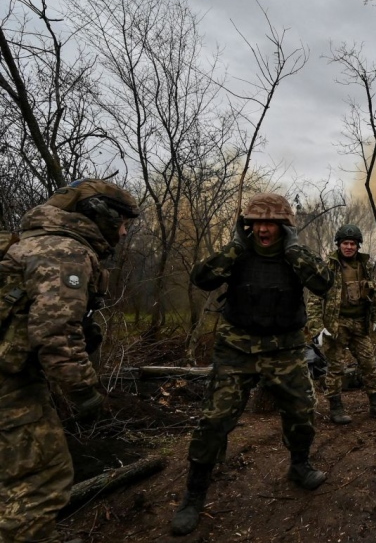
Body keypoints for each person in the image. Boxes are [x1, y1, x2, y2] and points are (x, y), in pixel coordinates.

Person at [170, 193, 334, 536]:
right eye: (257, 222)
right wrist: (235, 247)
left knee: (303, 411)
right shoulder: (237, 253)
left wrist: (294, 251)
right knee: (214, 421)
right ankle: (194, 494)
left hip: (285, 349)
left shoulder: (294, 256)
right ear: (248, 225)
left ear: (283, 227)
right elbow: (202, 278)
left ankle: (299, 465)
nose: (263, 229)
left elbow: (324, 284)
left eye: (271, 223)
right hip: (237, 349)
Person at [0, 179, 139, 543]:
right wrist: (85, 394)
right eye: (123, 222)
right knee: (41, 478)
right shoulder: (64, 251)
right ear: (101, 215)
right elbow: (56, 334)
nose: (124, 232)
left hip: (14, 375)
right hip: (9, 385)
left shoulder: (30, 242)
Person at [306, 224, 376, 425]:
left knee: (369, 364)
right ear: (338, 244)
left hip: (359, 324)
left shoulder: (364, 266)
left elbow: (373, 294)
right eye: (345, 243)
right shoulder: (329, 266)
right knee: (336, 368)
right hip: (336, 325)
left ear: (357, 246)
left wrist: (375, 318)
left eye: (352, 244)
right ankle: (336, 408)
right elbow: (314, 298)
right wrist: (317, 327)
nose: (349, 247)